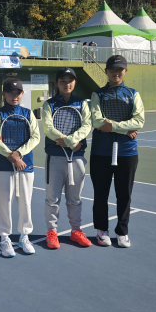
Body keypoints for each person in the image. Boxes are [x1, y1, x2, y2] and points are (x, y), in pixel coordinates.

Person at [90, 55, 145, 248]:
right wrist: (125, 129)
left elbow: (139, 121)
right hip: (101, 152)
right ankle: (101, 230)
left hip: (127, 152)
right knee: (100, 194)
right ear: (106, 71)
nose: (116, 72)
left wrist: (112, 126)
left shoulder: (133, 94)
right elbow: (97, 121)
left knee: (124, 195)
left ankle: (122, 232)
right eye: (112, 69)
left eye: (120, 69)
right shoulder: (97, 94)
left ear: (125, 71)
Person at [42, 67, 92, 249]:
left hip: (76, 157)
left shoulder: (83, 104)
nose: (67, 84)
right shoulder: (48, 105)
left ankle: (76, 231)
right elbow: (48, 128)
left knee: (75, 198)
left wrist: (70, 141)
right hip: (55, 158)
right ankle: (51, 232)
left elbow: (87, 125)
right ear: (56, 83)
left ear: (75, 82)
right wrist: (69, 141)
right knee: (52, 198)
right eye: (62, 81)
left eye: (70, 80)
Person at [0, 79, 41, 257]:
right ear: (4, 94)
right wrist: (11, 156)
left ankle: (24, 236)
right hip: (4, 166)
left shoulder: (28, 113)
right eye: (11, 93)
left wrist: (18, 154)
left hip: (25, 165)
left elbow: (35, 137)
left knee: (26, 202)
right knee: (4, 202)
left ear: (22, 94)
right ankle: (5, 237)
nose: (15, 96)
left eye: (18, 93)